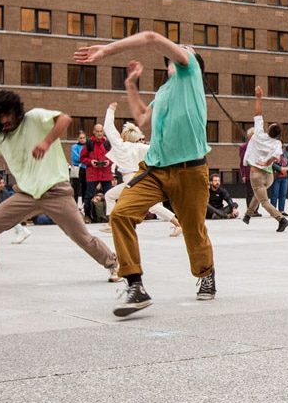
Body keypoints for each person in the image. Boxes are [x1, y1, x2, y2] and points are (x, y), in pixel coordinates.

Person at [72, 33, 217, 313]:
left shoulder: (191, 71)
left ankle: (205, 272)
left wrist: (106, 51)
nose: (180, 50)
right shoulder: (164, 91)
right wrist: (131, 86)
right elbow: (142, 118)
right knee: (121, 213)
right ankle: (135, 284)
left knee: (192, 230)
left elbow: (151, 37)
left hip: (190, 170)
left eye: (185, 48)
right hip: (154, 169)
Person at [0, 91, 119, 292]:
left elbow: (64, 119)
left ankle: (114, 265)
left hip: (56, 191)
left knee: (81, 236)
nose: (5, 121)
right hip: (25, 195)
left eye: (8, 116)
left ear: (16, 111)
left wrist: (46, 142)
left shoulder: (35, 117)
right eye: (0, 118)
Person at [98, 102, 180, 235]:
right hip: (137, 178)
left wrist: (111, 109)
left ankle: (112, 224)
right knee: (113, 196)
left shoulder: (121, 145)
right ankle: (178, 224)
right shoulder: (140, 147)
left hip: (132, 180)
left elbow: (108, 127)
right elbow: (158, 150)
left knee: (112, 196)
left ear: (123, 136)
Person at [241, 86, 288, 233]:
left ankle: (281, 219)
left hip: (256, 174)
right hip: (269, 175)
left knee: (263, 201)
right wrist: (267, 163)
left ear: (268, 130)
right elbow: (276, 156)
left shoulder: (258, 134)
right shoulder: (277, 143)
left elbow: (258, 114)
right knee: (259, 193)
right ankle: (248, 215)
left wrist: (258, 98)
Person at [79, 123, 113, 206]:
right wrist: (90, 162)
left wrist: (109, 162)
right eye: (97, 131)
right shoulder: (89, 143)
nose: (99, 133)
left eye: (101, 131)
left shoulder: (107, 144)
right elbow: (82, 158)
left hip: (106, 173)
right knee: (89, 196)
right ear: (94, 132)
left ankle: (108, 215)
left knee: (109, 195)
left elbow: (113, 157)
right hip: (93, 173)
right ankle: (87, 215)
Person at [270, 150, 288, 215]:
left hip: (285, 176)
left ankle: (281, 210)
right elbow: (271, 163)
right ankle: (273, 211)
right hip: (276, 176)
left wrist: (287, 168)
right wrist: (280, 168)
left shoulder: (285, 153)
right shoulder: (272, 152)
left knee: (283, 194)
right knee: (274, 194)